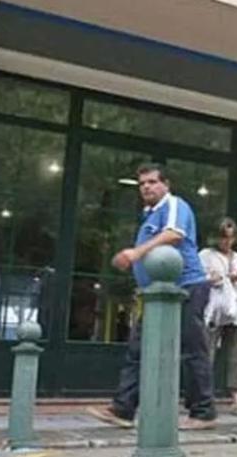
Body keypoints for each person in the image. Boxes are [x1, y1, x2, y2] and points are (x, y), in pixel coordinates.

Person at [87, 164, 217, 430]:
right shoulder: (149, 216)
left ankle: (203, 412)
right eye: (142, 183)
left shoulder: (174, 205)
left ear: (165, 185)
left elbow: (174, 234)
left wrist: (136, 253)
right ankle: (123, 409)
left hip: (186, 287)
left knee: (193, 351)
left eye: (152, 182)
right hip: (156, 295)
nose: (146, 187)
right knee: (138, 348)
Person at [200, 217, 237, 417]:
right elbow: (198, 279)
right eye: (223, 237)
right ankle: (204, 398)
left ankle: (236, 401)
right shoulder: (206, 255)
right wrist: (219, 279)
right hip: (214, 312)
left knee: (236, 357)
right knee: (207, 355)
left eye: (230, 238)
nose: (227, 242)